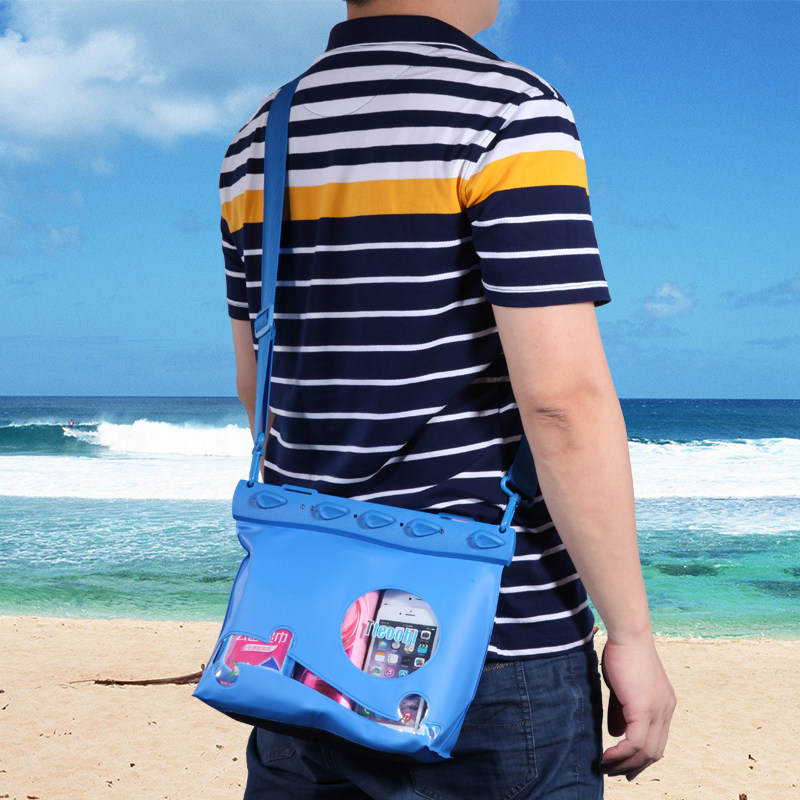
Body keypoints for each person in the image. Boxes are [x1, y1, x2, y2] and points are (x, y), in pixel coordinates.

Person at [221, 1, 675, 797]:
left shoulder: (260, 137)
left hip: (303, 635)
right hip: (494, 640)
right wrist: (631, 634)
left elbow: (259, 386)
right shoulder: (509, 113)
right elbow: (561, 403)